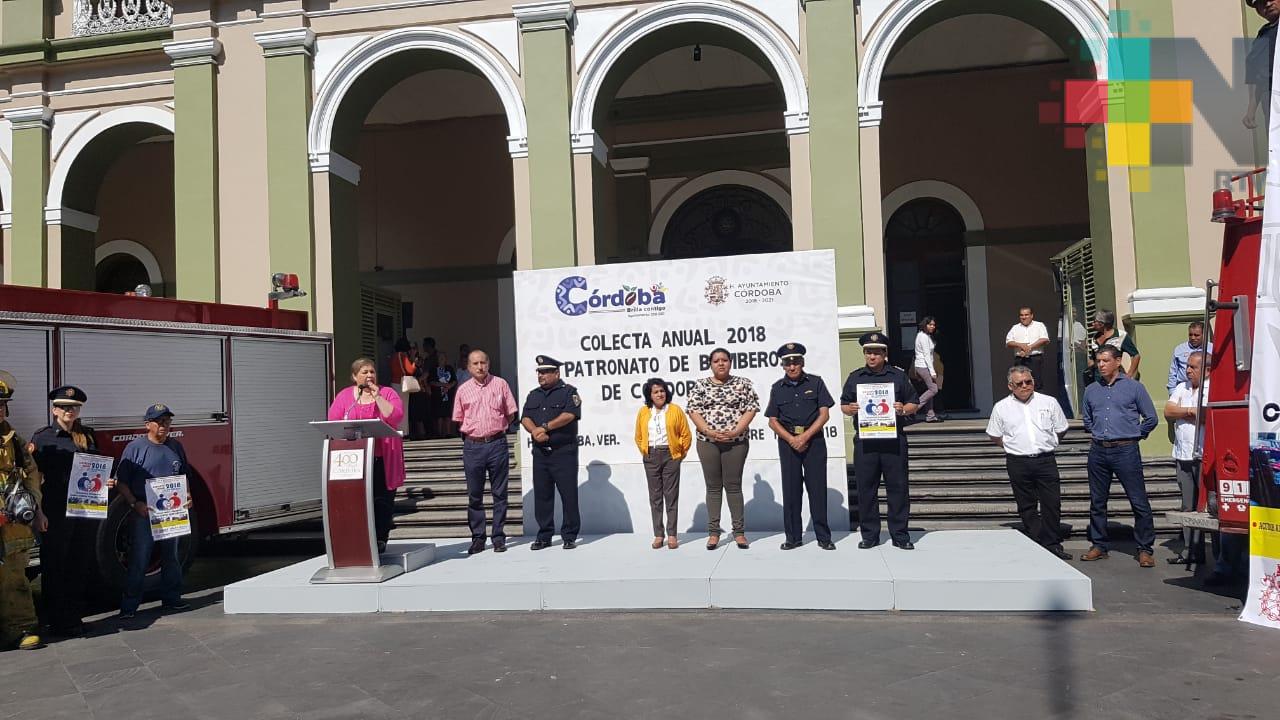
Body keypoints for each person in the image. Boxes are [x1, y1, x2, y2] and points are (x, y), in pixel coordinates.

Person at [30, 385, 107, 636]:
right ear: (54, 410)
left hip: (84, 510)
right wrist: (38, 512)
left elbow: (96, 467)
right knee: (55, 564)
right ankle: (55, 620)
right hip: (55, 509)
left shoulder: (88, 435)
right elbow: (34, 478)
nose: (69, 411)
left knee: (79, 561)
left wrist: (108, 481)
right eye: (64, 407)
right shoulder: (42, 438)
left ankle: (74, 618)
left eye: (73, 407)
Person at [1080, 346, 1159, 567]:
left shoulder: (1134, 388)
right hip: (1098, 450)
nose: (1101, 365)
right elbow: (1087, 418)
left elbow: (1150, 418)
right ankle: (1099, 545)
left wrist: (1135, 435)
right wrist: (1095, 430)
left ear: (1117, 361)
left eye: (1105, 360)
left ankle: (1145, 548)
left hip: (1126, 449)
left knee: (1138, 501)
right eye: (1098, 361)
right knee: (1097, 501)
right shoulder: (1091, 390)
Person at [841, 333, 920, 550]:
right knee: (866, 490)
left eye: (876, 352)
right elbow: (844, 404)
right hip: (866, 443)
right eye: (868, 352)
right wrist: (851, 408)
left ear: (885, 354)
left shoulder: (898, 376)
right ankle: (870, 535)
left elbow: (914, 402)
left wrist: (903, 409)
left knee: (898, 489)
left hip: (893, 441)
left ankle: (900, 535)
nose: (872, 356)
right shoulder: (855, 377)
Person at [115, 404, 193, 618]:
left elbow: (183, 476)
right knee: (140, 558)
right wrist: (134, 503)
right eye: (159, 421)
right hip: (144, 512)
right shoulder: (135, 448)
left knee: (172, 557)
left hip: (171, 513)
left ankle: (172, 599)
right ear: (147, 424)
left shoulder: (176, 446)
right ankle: (129, 607)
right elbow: (122, 482)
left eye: (167, 421)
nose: (164, 426)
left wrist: (187, 496)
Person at [986, 366, 1072, 560]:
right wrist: (1012, 446)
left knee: (1052, 503)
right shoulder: (1001, 407)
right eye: (1019, 383)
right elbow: (995, 435)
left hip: (1045, 460)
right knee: (1026, 504)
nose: (1025, 386)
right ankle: (1037, 541)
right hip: (1018, 461)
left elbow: (1061, 428)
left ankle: (1052, 543)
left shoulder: (1048, 402)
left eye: (1028, 381)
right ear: (1010, 386)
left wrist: (1051, 442)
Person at [326, 358, 405, 553]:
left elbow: (395, 416)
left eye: (372, 371)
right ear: (354, 376)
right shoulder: (345, 396)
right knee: (356, 500)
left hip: (382, 458)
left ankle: (379, 539)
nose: (369, 375)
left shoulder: (387, 393)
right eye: (364, 372)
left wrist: (378, 397)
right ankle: (357, 540)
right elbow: (333, 422)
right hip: (354, 459)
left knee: (382, 501)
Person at [765, 343, 836, 551]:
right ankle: (793, 538)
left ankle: (823, 537)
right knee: (791, 491)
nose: (792, 366)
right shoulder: (777, 388)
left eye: (795, 362)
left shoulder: (816, 383)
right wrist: (791, 439)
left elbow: (824, 414)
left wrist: (804, 436)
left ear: (802, 362)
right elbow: (772, 420)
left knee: (817, 490)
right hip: (788, 444)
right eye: (788, 363)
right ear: (783, 366)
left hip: (813, 441)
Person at [686, 348, 759, 550]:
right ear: (710, 363)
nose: (721, 363)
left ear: (730, 362)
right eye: (716, 360)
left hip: (736, 442)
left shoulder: (743, 384)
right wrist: (709, 431)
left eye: (724, 360)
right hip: (708, 442)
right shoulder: (700, 385)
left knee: (733, 486)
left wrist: (736, 430)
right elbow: (693, 410)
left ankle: (739, 533)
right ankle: (713, 533)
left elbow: (751, 408)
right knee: (713, 487)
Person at [453, 349, 517, 554]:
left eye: (483, 362)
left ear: (488, 364)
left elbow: (511, 414)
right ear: (469, 367)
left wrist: (494, 429)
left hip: (497, 444)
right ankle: (478, 538)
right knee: (475, 495)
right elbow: (459, 418)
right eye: (475, 363)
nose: (480, 367)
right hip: (473, 446)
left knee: (500, 493)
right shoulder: (462, 390)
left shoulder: (501, 384)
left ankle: (498, 537)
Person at [0, 372, 46, 650]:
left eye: (2, 405)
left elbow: (32, 478)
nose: (0, 409)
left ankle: (19, 630)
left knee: (16, 580)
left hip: (13, 528)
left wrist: (37, 511)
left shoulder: (15, 441)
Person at [521, 356, 582, 550]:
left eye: (545, 372)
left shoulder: (568, 392)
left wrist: (545, 428)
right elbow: (525, 417)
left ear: (556, 373)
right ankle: (544, 535)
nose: (541, 375)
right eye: (539, 372)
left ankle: (569, 535)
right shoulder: (533, 394)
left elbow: (569, 415)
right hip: (541, 453)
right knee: (542, 495)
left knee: (568, 495)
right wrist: (534, 431)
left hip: (563, 452)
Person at [634, 377, 692, 550]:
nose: (660, 394)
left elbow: (686, 435)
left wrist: (679, 455)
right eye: (656, 392)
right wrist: (645, 451)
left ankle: (672, 534)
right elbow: (638, 436)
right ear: (649, 395)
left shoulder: (675, 410)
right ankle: (658, 534)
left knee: (671, 496)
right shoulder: (644, 412)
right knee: (655, 498)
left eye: (662, 391)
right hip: (651, 455)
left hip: (670, 455)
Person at [1165, 351, 1207, 565]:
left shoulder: (1211, 389)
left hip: (1205, 457)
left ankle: (1219, 557)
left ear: (1206, 369)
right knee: (1187, 507)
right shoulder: (1182, 388)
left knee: (1210, 509)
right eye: (1187, 366)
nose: (1188, 370)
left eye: (1193, 367)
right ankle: (1191, 551)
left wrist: (1186, 411)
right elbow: (1168, 411)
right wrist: (1191, 411)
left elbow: (1208, 415)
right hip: (1183, 455)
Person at [1244, 0, 1278, 129]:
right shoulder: (1262, 36)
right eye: (1262, 3)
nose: (1268, 4)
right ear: (1257, 9)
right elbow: (1257, 76)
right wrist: (1251, 111)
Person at [1084, 310, 1140, 384]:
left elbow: (1136, 355)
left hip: (1115, 379)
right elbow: (1093, 359)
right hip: (1098, 380)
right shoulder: (1094, 338)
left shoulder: (1121, 336)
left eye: (1095, 322)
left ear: (1102, 324)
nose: (1092, 324)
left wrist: (1129, 375)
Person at [1005, 306, 1050, 390]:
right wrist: (1021, 345)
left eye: (1026, 315)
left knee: (1036, 383)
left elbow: (1045, 339)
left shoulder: (1039, 325)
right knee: (1019, 383)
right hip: (1020, 360)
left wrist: (1030, 347)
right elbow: (1008, 343)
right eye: (1021, 315)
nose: (1024, 317)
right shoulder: (1015, 328)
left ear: (1031, 315)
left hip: (1034, 359)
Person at [1166, 321, 1211, 396]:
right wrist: (1172, 392)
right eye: (1190, 335)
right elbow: (1173, 372)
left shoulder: (1211, 349)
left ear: (1204, 335)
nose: (1193, 338)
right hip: (1184, 388)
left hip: (1205, 389)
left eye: (1196, 335)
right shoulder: (1179, 349)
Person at [912, 316, 943, 423]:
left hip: (924, 365)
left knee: (929, 389)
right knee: (933, 389)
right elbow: (926, 355)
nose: (932, 327)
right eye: (930, 325)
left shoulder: (925, 336)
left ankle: (930, 415)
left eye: (934, 325)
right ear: (925, 325)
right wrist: (932, 372)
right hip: (923, 366)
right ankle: (912, 409)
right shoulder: (923, 337)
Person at [389, 338, 416, 435]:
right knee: (404, 408)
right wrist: (414, 361)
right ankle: (403, 431)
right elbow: (410, 370)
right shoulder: (403, 355)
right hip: (402, 384)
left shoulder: (393, 356)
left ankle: (396, 429)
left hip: (394, 383)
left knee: (396, 407)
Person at [430, 350, 457, 439]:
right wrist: (443, 385)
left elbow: (454, 380)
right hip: (438, 395)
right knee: (439, 415)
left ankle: (448, 433)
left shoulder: (449, 368)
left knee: (448, 414)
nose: (442, 359)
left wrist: (449, 386)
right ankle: (440, 433)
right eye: (440, 358)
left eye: (443, 358)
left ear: (446, 359)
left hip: (448, 394)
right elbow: (432, 382)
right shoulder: (434, 369)